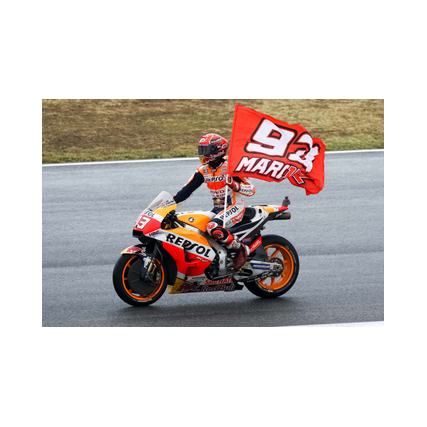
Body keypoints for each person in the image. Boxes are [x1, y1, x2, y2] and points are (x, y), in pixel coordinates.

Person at [168, 134, 256, 270]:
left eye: (206, 150)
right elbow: (185, 191)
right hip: (217, 208)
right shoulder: (203, 170)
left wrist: (234, 185)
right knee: (192, 225)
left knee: (212, 227)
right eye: (201, 150)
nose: (203, 154)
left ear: (218, 151)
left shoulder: (231, 166)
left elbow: (251, 190)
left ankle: (241, 249)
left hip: (234, 206)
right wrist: (167, 205)